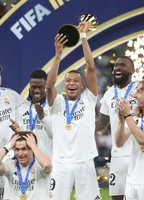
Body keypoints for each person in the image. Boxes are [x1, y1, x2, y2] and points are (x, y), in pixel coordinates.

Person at [46, 21, 100, 200]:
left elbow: (91, 68)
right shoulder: (58, 102)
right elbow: (49, 86)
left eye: (76, 80)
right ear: (64, 85)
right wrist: (58, 55)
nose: (71, 83)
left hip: (85, 162)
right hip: (60, 163)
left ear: (82, 85)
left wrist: (83, 37)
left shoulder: (89, 98)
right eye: (68, 80)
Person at [96, 55, 136, 200]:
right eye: (116, 65)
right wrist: (80, 129)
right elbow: (102, 123)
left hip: (137, 153)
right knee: (117, 196)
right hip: (118, 154)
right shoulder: (108, 94)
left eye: (123, 65)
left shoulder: (140, 90)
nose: (118, 67)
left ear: (132, 70)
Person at [0, 131, 52, 200]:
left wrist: (33, 145)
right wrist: (8, 146)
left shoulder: (39, 165)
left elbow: (46, 165)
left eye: (24, 149)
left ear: (32, 149)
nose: (20, 153)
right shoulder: (10, 165)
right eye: (17, 149)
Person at [11, 69, 52, 159]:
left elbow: (55, 134)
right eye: (34, 87)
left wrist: (42, 117)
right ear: (29, 88)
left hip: (46, 161)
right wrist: (18, 130)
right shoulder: (21, 108)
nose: (36, 90)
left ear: (46, 87)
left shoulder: (53, 108)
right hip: (25, 163)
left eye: (40, 87)